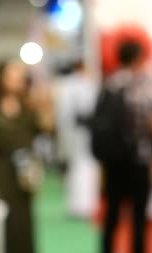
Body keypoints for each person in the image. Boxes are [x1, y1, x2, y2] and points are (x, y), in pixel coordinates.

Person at [0, 59, 53, 253]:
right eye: (13, 74)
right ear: (1, 79)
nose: (18, 78)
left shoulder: (28, 108)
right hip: (0, 174)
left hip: (25, 175)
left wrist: (44, 100)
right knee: (0, 229)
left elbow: (47, 127)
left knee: (22, 226)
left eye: (20, 75)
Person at [94, 41, 152, 253]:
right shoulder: (146, 86)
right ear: (138, 58)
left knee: (112, 215)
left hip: (114, 160)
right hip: (139, 160)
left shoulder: (110, 83)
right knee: (138, 216)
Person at [54, 60, 99, 218]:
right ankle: (79, 205)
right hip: (77, 133)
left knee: (82, 168)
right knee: (77, 168)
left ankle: (82, 204)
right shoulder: (74, 85)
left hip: (81, 133)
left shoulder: (75, 85)